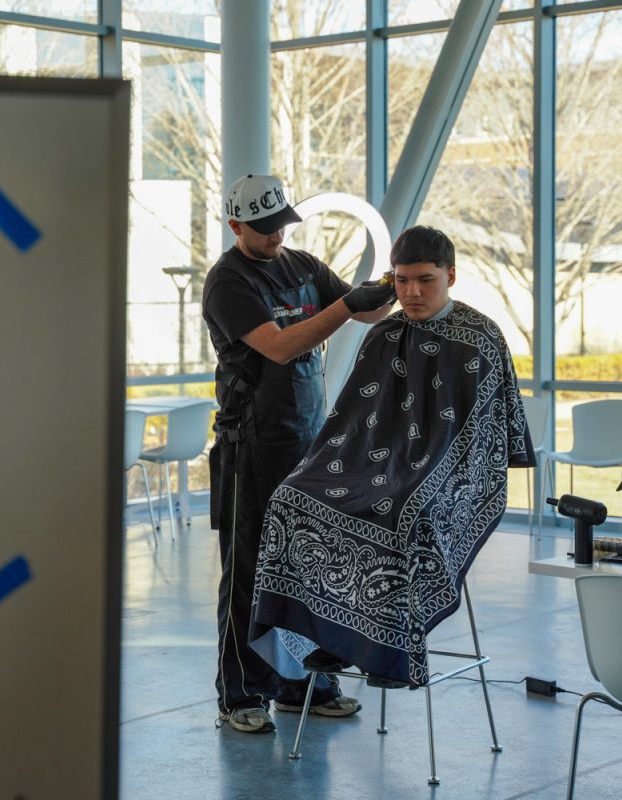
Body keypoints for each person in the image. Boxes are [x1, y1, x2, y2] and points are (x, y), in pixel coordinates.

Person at [247, 225, 536, 689]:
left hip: (451, 477)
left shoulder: (480, 338)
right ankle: (329, 636)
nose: (413, 292)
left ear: (452, 276)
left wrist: (418, 475)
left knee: (403, 513)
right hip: (368, 468)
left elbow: (482, 440)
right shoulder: (383, 333)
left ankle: (388, 649)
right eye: (401, 281)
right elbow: (350, 423)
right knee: (290, 498)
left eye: (425, 280)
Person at [203, 174, 396, 733]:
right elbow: (283, 346)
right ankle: (239, 694)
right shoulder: (228, 282)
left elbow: (365, 312)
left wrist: (394, 285)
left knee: (305, 568)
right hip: (252, 445)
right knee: (248, 571)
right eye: (263, 230)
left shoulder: (303, 266)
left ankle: (304, 684)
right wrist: (348, 305)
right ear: (235, 225)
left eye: (281, 225)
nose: (275, 238)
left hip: (307, 442)